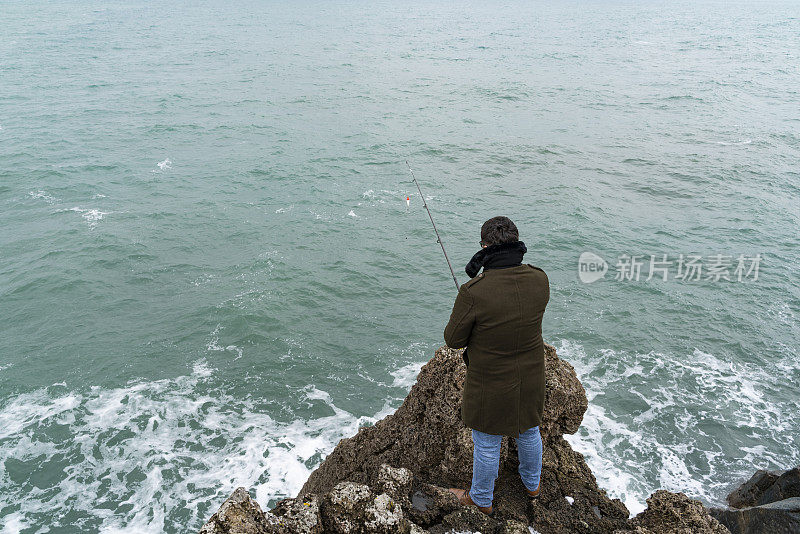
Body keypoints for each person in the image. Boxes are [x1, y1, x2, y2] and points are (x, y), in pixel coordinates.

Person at [443, 216, 550, 515]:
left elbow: (453, 339)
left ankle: (481, 499)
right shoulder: (540, 279)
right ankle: (532, 485)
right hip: (530, 374)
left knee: (488, 442)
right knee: (529, 431)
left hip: (490, 381)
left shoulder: (474, 291)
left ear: (485, 247)